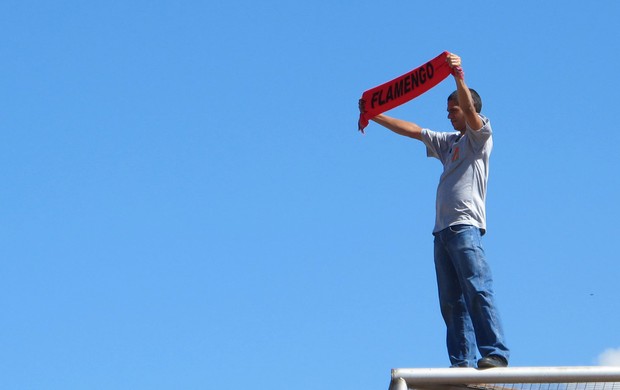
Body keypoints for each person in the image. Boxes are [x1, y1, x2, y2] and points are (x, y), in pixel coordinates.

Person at [362, 53, 510, 368]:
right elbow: (414, 131)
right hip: (441, 232)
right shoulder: (450, 144)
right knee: (451, 303)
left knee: (477, 288)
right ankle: (461, 362)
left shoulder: (478, 138)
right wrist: (375, 115)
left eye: (452, 109)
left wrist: (458, 76)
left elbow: (470, 109)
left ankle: (495, 352)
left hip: (464, 227)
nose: (448, 116)